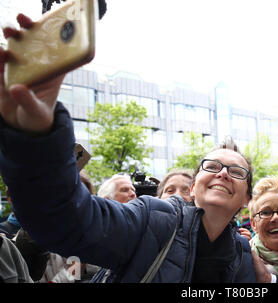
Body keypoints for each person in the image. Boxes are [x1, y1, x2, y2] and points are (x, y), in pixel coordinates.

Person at [0, 17, 256, 282]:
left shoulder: (244, 257)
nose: (223, 173)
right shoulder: (153, 220)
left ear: (247, 198)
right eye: (212, 166)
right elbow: (66, 219)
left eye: (236, 171)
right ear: (193, 188)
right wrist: (37, 136)